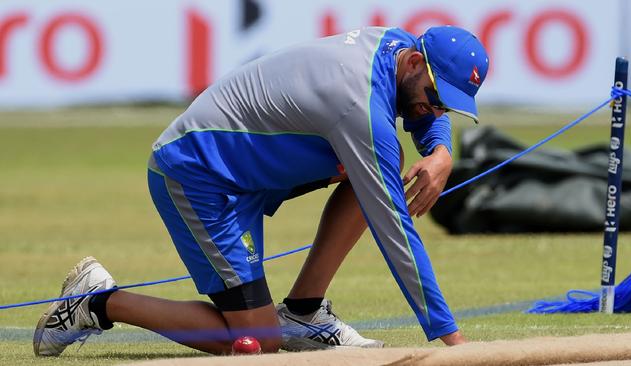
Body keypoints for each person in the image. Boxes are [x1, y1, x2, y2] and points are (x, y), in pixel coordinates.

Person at [33, 25, 488, 356]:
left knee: (377, 167)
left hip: (247, 173)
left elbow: (424, 111)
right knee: (256, 343)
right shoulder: (359, 104)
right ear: (413, 63)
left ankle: (305, 313)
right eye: (435, 94)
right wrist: (452, 342)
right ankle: (95, 302)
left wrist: (442, 151)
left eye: (447, 103)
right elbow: (398, 238)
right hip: (196, 175)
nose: (434, 108)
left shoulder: (398, 48)